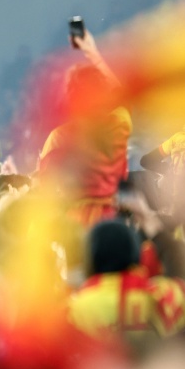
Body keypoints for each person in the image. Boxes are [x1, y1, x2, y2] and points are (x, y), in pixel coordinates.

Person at [38, 28, 131, 227]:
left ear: (72, 99)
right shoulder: (118, 127)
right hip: (114, 221)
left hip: (74, 226)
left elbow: (43, 186)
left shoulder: (59, 137)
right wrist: (92, 52)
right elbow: (121, 93)